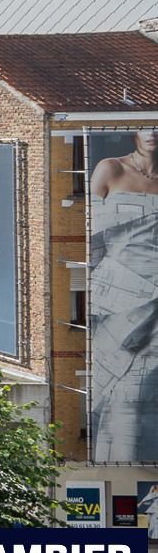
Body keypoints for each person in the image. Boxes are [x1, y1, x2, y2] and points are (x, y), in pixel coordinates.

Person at [89, 130, 158, 461]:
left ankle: (121, 473)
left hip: (156, 305)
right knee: (117, 393)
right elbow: (89, 242)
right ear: (134, 132)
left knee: (137, 395)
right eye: (146, 125)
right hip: (118, 299)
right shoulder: (110, 170)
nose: (153, 132)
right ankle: (112, 469)